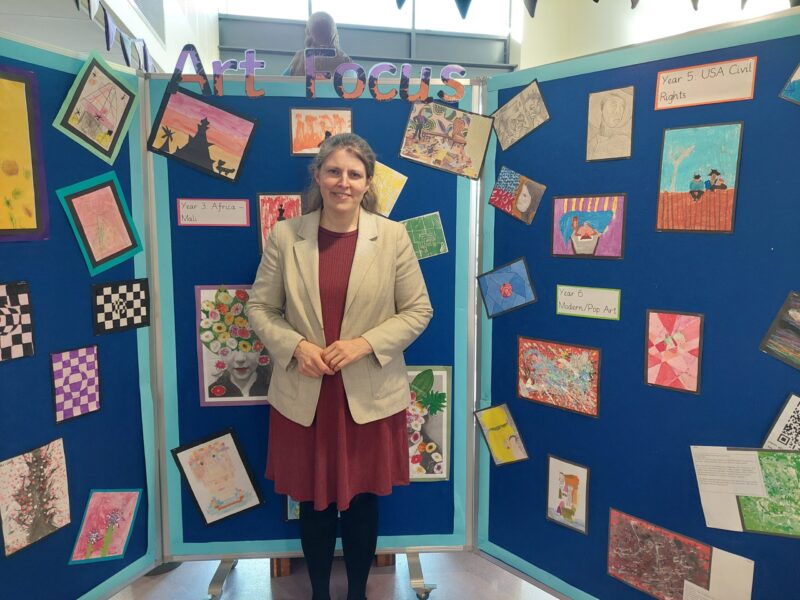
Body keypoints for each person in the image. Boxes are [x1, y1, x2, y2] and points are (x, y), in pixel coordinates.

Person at [247, 133, 433, 600]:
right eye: (333, 171)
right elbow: (259, 309)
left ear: (368, 182)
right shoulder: (286, 236)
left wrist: (365, 344)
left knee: (363, 502)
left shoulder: (393, 237)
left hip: (368, 395)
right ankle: (318, 594)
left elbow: (418, 310)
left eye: (354, 174)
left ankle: (356, 593)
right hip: (305, 392)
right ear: (317, 177)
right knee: (313, 503)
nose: (343, 182)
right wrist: (295, 347)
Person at [284, 11, 352, 77]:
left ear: (308, 33)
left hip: (300, 88)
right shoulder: (345, 60)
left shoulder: (300, 57)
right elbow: (354, 83)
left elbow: (280, 81)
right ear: (334, 33)